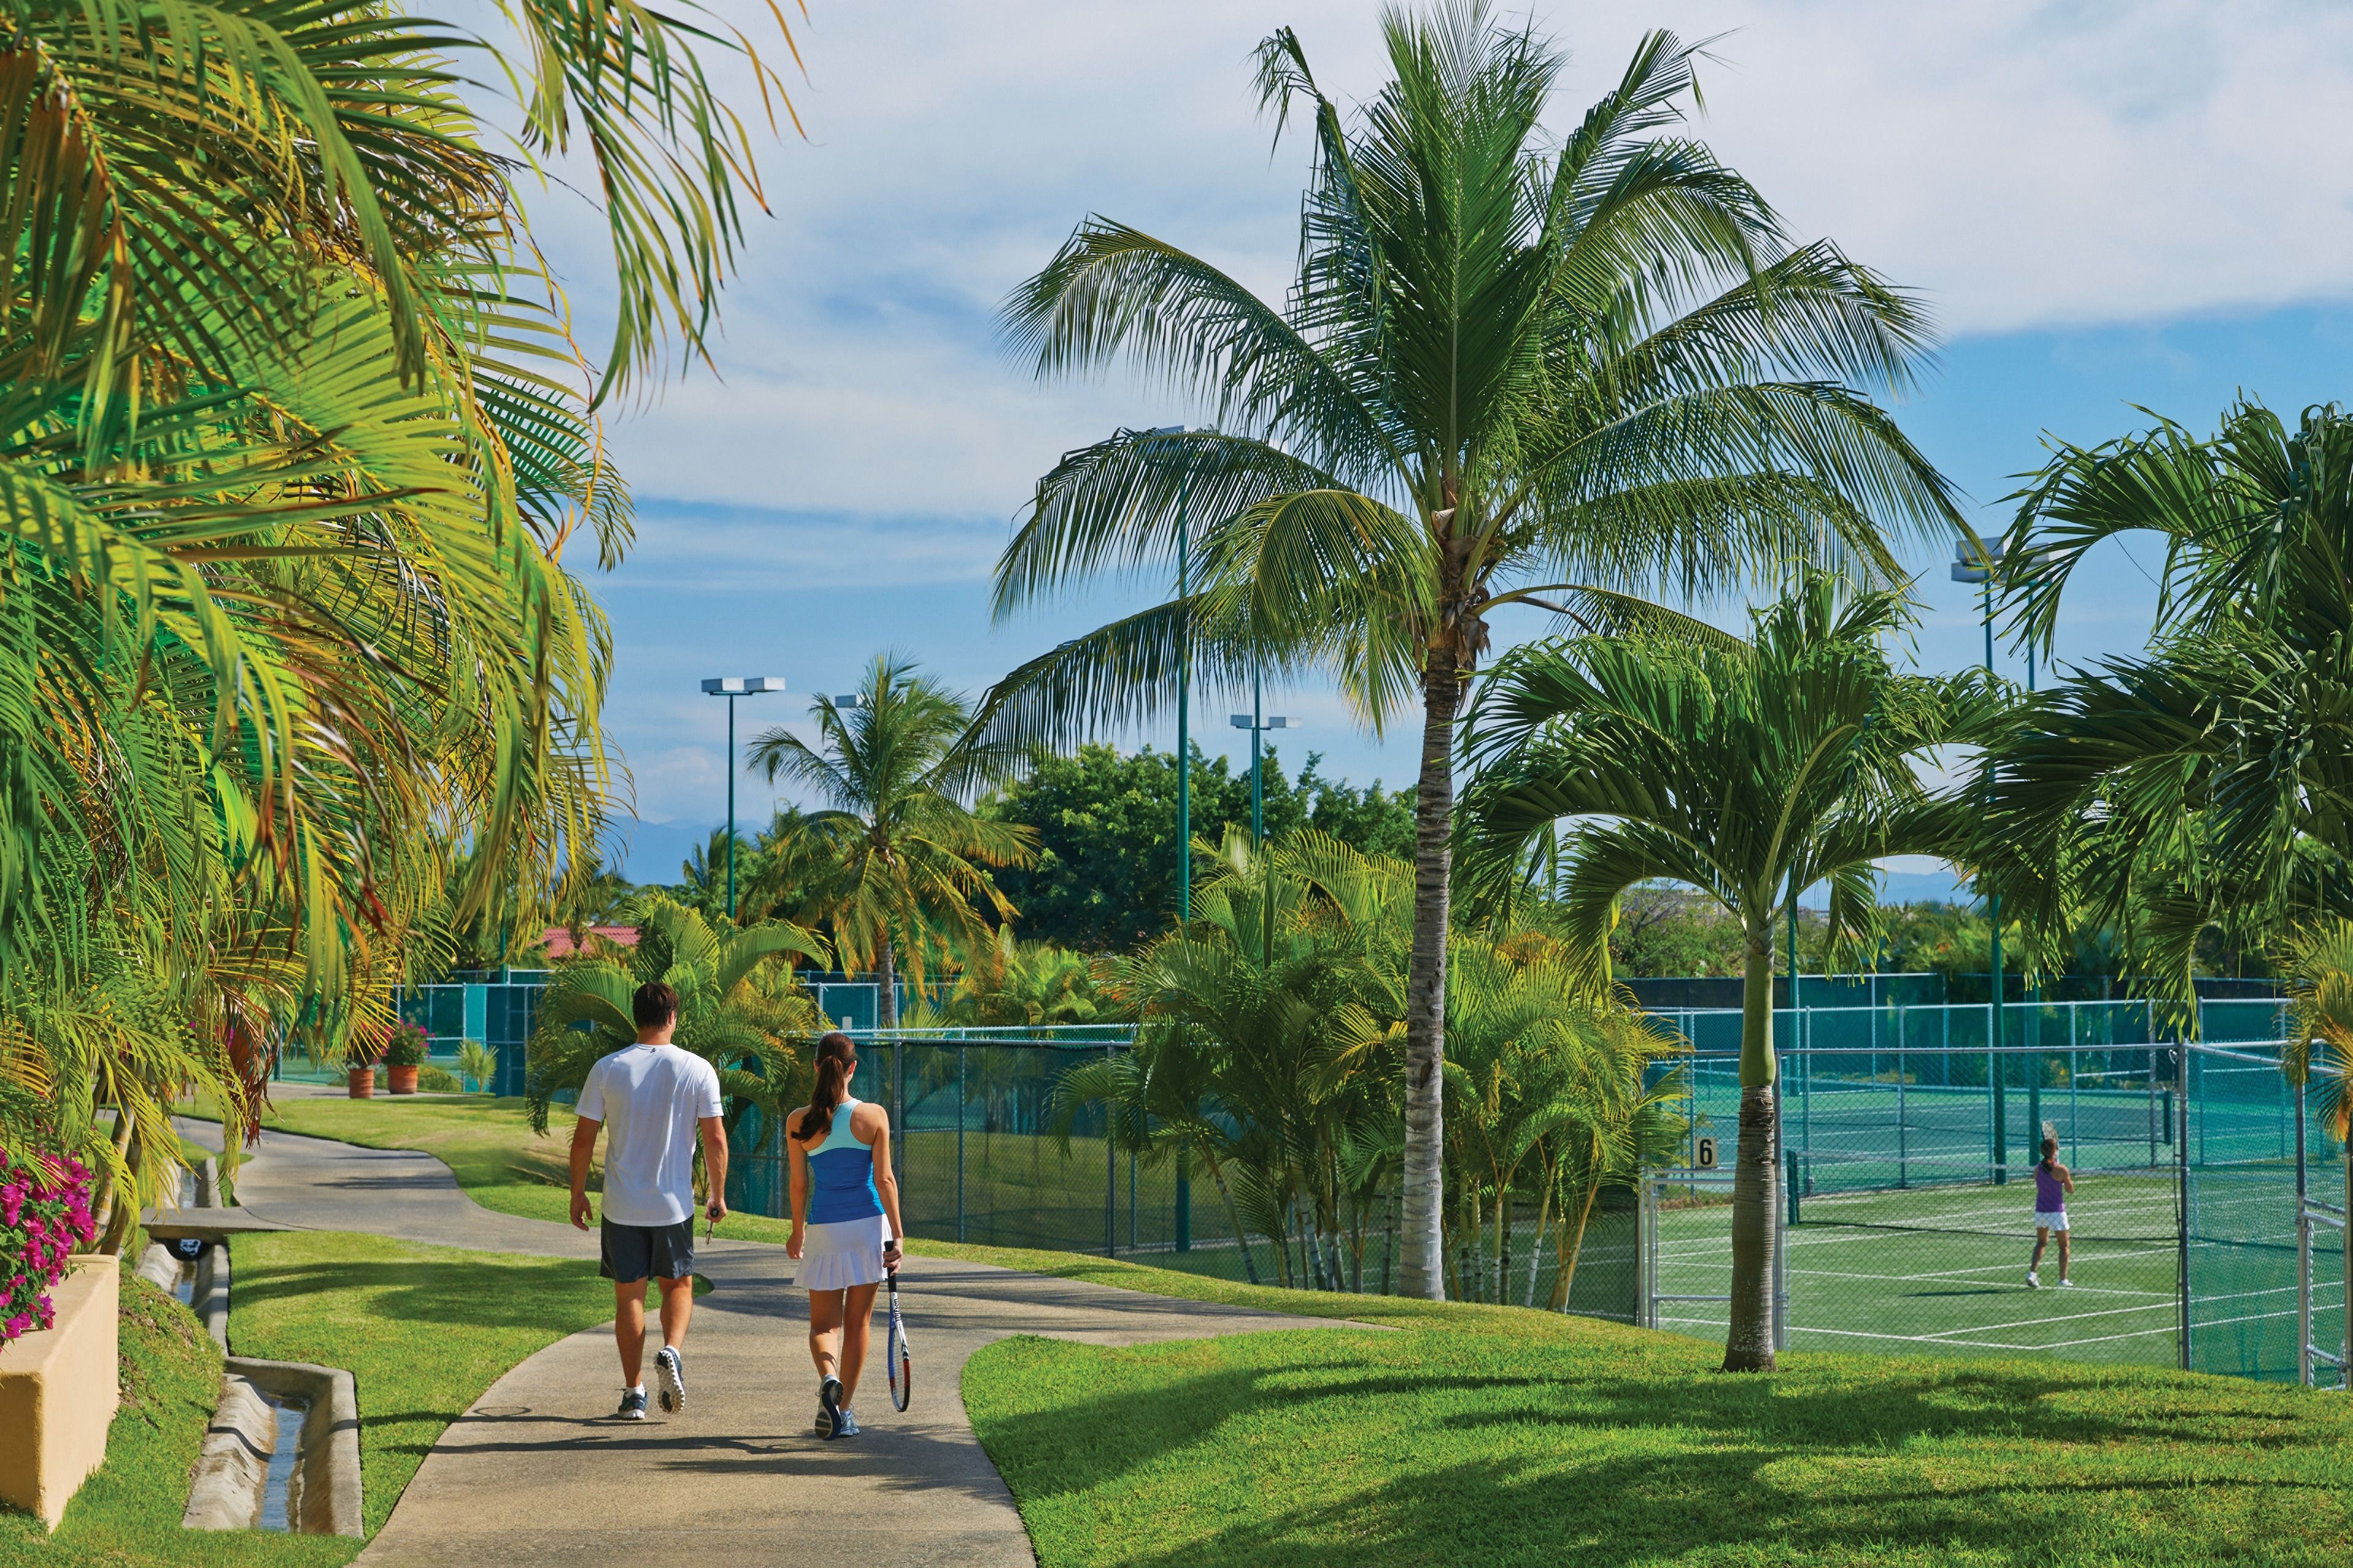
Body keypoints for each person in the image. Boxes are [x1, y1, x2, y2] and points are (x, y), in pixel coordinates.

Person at [569, 982, 728, 1420]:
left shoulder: (608, 1068)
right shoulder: (697, 1068)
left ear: (634, 1016)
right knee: (678, 1285)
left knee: (630, 1298)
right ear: (673, 1017)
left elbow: (584, 1139)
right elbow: (715, 1136)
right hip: (674, 1204)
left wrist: (577, 1192)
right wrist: (717, 1193)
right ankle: (672, 1351)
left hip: (621, 1206)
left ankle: (634, 1392)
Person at [786, 1031, 905, 1440]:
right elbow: (885, 1179)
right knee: (857, 1325)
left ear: (816, 1066)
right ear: (852, 1068)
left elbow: (799, 1186)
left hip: (823, 1230)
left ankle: (828, 1376)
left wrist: (797, 1231)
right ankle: (844, 1409)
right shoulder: (874, 1116)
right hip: (869, 1228)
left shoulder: (798, 1122)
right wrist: (899, 1235)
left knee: (823, 1327)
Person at [2028, 1130, 2074, 1289]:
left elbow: (2039, 1179)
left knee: (2041, 1243)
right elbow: (2070, 1190)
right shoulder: (2062, 1170)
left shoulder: (2037, 1169)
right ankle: (2063, 1280)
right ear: (2054, 1151)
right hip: (2057, 1212)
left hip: (2041, 1211)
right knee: (2064, 1246)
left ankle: (2032, 1274)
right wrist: (2064, 1176)